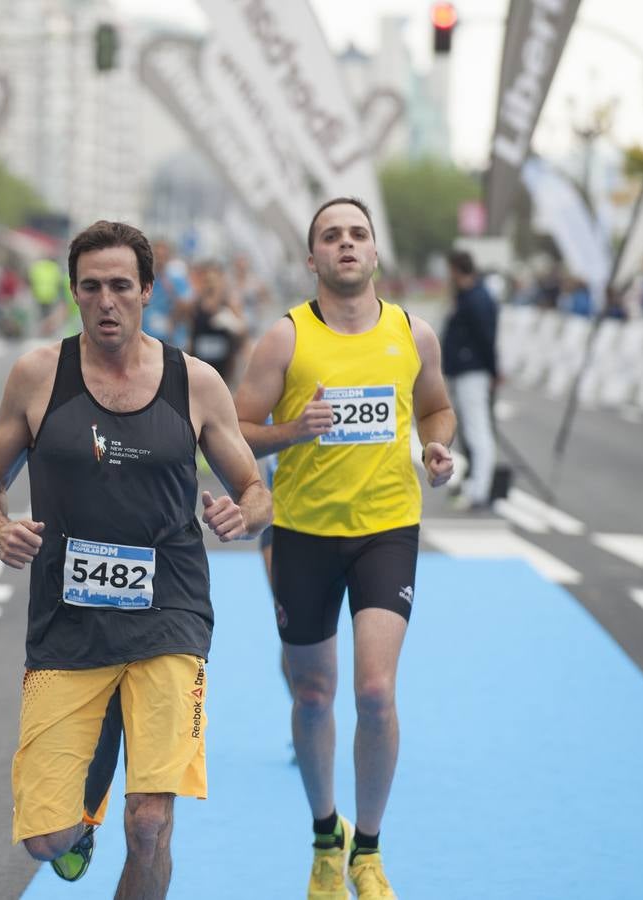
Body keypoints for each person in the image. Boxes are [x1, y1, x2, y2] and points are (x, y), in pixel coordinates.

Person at [0, 220, 271, 899]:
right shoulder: (38, 376)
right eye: (92, 287)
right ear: (75, 293)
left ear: (148, 293)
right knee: (48, 841)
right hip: (67, 626)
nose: (107, 301)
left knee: (152, 824)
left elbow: (255, 491)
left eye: (121, 287)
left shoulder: (194, 383)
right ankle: (83, 814)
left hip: (171, 615)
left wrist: (240, 513)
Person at [234, 198, 456, 900]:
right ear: (312, 259)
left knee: (374, 693)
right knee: (312, 693)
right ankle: (325, 835)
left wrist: (438, 443)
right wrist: (293, 430)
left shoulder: (412, 334)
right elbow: (235, 429)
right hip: (303, 534)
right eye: (331, 236)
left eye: (358, 233)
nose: (347, 244)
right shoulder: (285, 340)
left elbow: (436, 405)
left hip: (387, 529)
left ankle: (369, 848)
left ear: (375, 251)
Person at [443, 250, 499, 512]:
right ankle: (475, 482)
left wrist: (493, 370)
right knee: (470, 432)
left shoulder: (477, 298)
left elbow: (486, 338)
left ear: (456, 269)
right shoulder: (469, 296)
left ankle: (480, 488)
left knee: (478, 431)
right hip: (465, 371)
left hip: (473, 372)